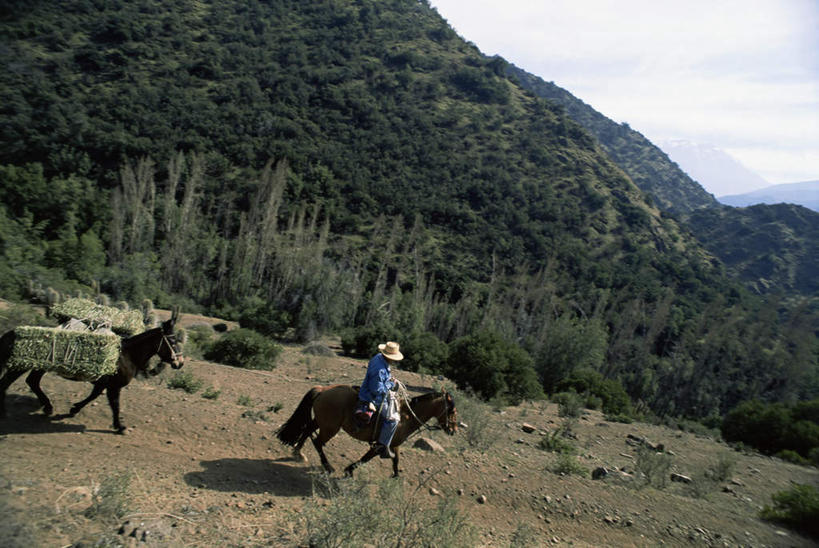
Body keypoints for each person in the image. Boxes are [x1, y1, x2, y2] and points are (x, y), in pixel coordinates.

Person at [358, 341, 403, 458]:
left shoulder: (378, 357)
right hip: (371, 396)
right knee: (393, 420)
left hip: (369, 389)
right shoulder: (380, 369)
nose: (394, 360)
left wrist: (388, 379)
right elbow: (377, 390)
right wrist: (391, 384)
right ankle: (382, 446)